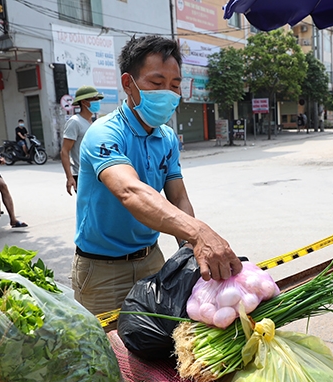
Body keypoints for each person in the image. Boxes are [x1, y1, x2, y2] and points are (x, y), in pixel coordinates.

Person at [73, 35, 242, 316]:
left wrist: (190, 251)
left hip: (152, 260)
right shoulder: (104, 133)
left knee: (157, 347)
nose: (167, 93)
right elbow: (130, 191)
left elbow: (178, 197)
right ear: (129, 83)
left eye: (174, 86)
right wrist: (199, 232)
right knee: (104, 352)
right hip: (101, 270)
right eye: (156, 83)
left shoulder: (166, 138)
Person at [61, 86, 102, 195]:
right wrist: (69, 177)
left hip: (95, 172)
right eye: (94, 99)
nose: (97, 102)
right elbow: (65, 151)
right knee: (87, 209)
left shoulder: (93, 122)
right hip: (82, 174)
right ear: (84, 102)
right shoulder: (75, 122)